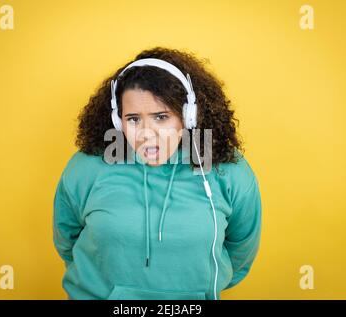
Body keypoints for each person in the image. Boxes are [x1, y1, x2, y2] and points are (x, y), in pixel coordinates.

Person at [53, 47, 262, 300]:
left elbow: (241, 249)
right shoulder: (88, 167)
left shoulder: (226, 170)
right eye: (133, 119)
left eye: (161, 117)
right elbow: (67, 241)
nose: (146, 133)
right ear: (118, 121)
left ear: (189, 117)